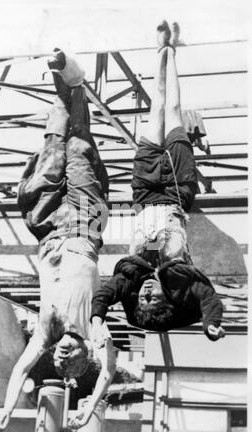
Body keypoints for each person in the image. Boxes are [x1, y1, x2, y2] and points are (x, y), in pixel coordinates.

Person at [0, 50, 116, 432]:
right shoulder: (95, 332)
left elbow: (20, 368)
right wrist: (89, 407)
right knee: (78, 149)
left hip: (48, 230)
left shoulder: (46, 332)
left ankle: (66, 86)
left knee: (50, 152)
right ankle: (72, 86)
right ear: (84, 358)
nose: (63, 357)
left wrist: (9, 408)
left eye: (59, 361)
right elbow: (108, 375)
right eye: (71, 361)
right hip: (83, 227)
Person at [90, 21, 225, 348]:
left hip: (146, 190)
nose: (147, 295)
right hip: (178, 188)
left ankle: (159, 48)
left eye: (143, 301)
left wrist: (97, 320)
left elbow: (105, 295)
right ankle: (172, 51)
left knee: (155, 110)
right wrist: (211, 325)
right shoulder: (181, 283)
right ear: (169, 299)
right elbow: (208, 298)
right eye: (155, 300)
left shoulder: (131, 279)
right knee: (174, 110)